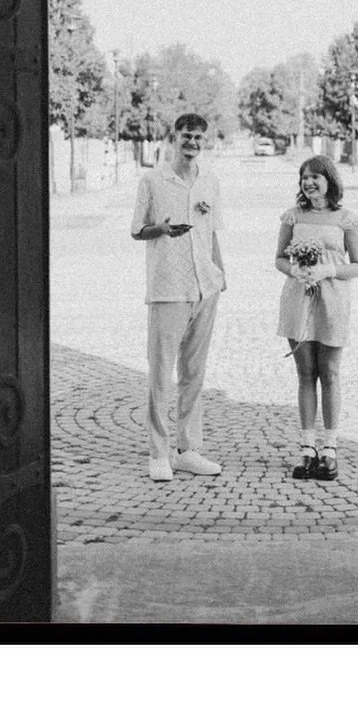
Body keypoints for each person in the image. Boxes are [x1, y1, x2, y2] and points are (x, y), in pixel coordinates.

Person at [131, 113, 227, 481]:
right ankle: (158, 452)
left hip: (205, 285)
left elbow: (214, 231)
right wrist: (164, 229)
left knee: (194, 373)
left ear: (205, 141)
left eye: (199, 137)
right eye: (187, 135)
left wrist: (221, 273)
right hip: (168, 286)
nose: (192, 142)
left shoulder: (210, 182)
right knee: (161, 371)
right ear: (174, 137)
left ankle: (188, 449)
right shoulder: (153, 180)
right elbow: (137, 230)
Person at [275, 155, 358, 480]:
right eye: (304, 178)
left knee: (329, 373)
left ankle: (330, 447)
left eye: (316, 177)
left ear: (329, 180)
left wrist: (330, 269)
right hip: (298, 299)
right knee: (305, 373)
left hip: (333, 300)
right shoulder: (292, 217)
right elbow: (279, 259)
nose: (309, 183)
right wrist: (295, 269)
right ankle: (306, 447)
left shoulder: (347, 219)